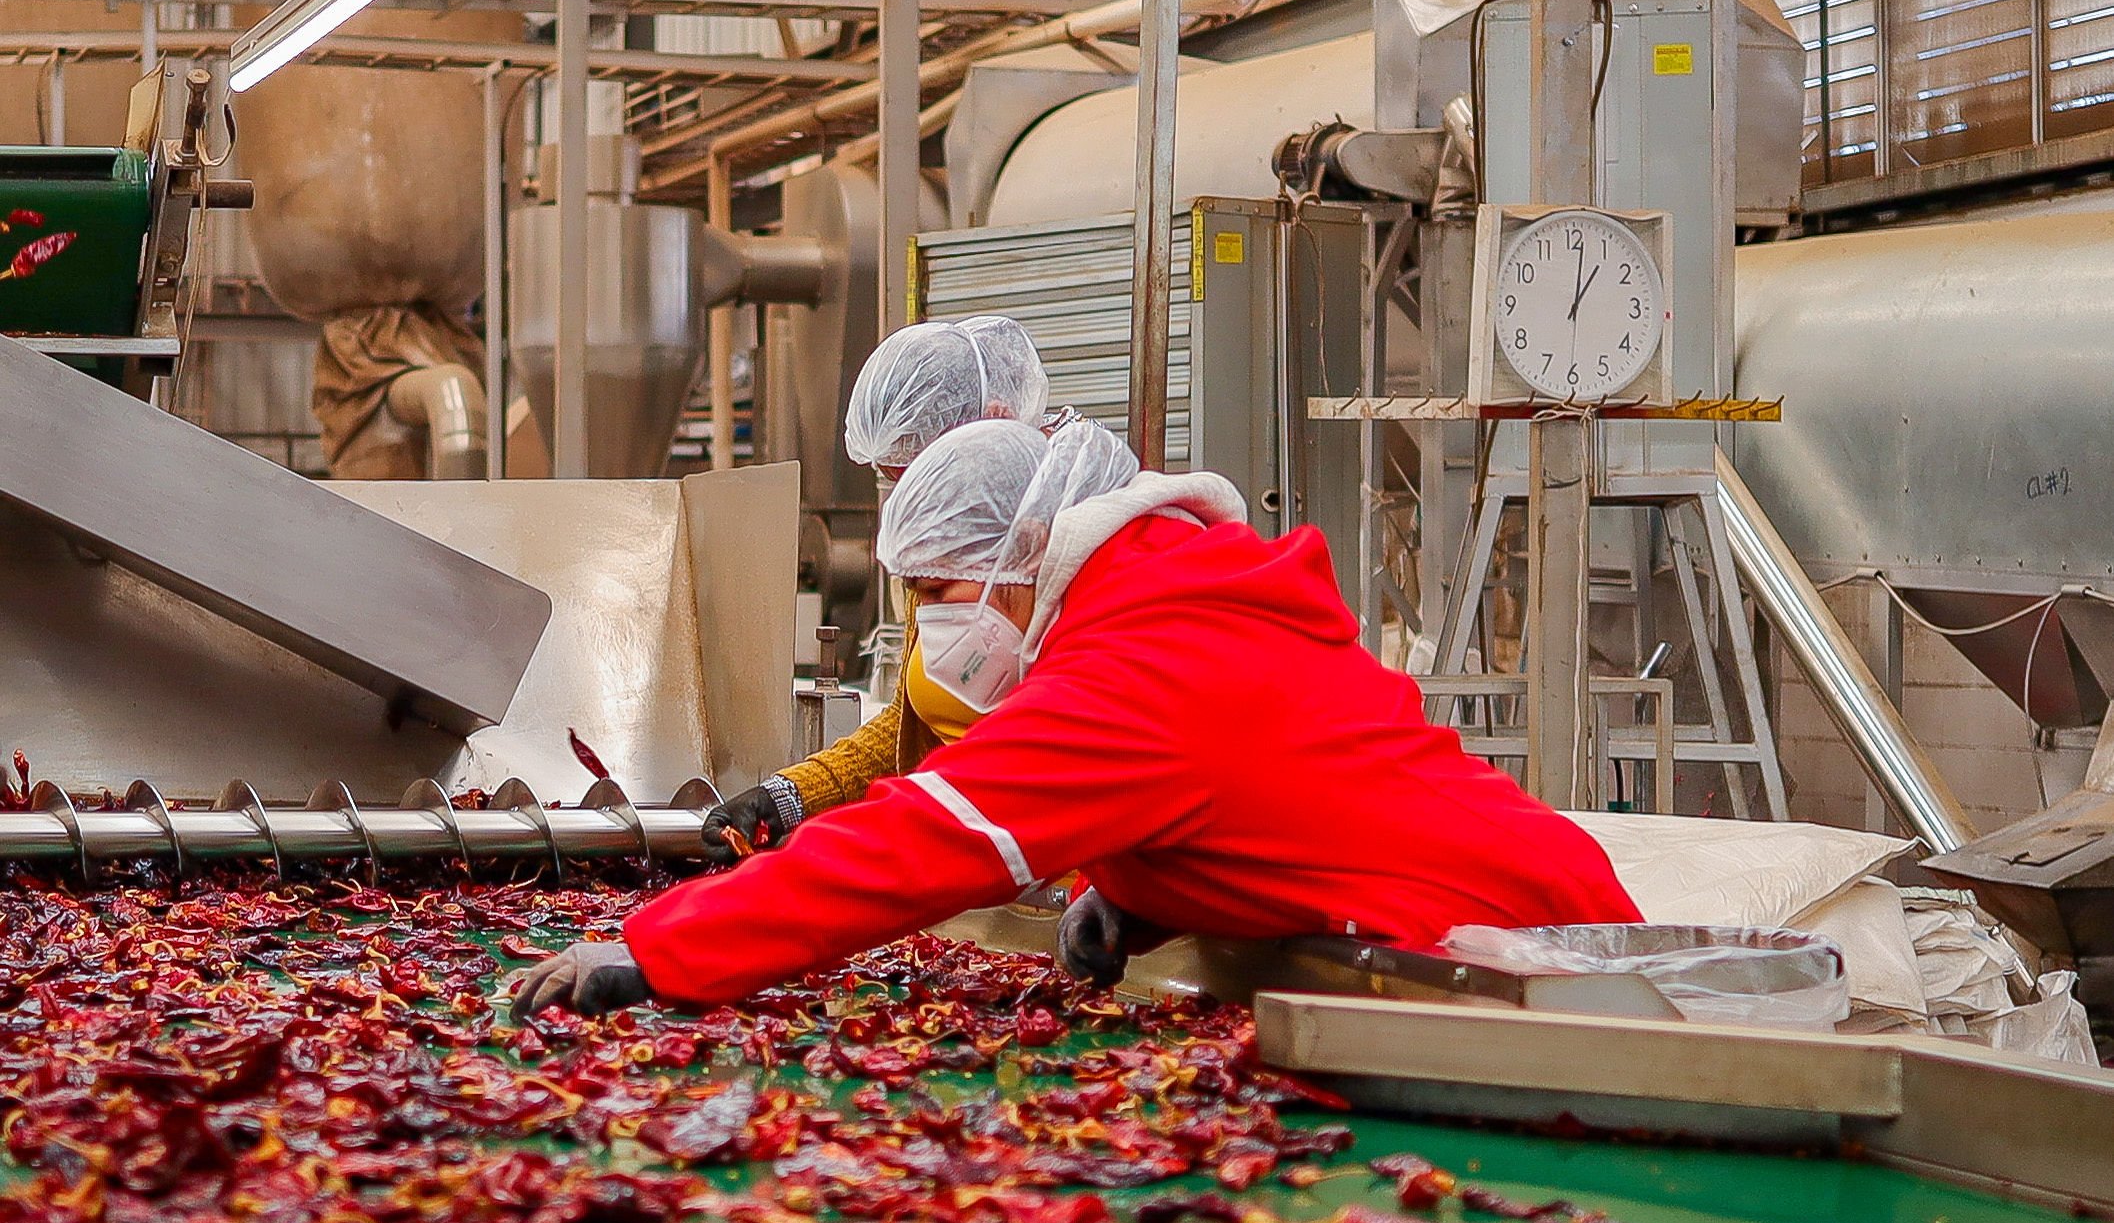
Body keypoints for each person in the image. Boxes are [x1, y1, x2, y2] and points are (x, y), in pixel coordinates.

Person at [513, 420, 1641, 1021]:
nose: (932, 627)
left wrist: (661, 948)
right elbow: (1282, 801)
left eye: (941, 592)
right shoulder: (1173, 596)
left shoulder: (1145, 661)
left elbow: (927, 837)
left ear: (1021, 561)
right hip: (1493, 928)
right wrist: (1144, 889)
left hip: (1527, 969)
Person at [696, 314, 1065, 864]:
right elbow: (910, 727)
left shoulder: (1053, 559)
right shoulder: (951, 550)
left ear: (997, 421)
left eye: (925, 471)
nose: (920, 501)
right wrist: (787, 797)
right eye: (898, 481)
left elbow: (1036, 776)